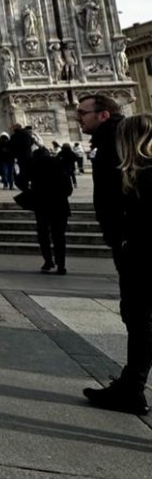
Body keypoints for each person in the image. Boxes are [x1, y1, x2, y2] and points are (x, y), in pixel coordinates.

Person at [83, 113, 152, 415]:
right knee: (140, 323)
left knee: (139, 322)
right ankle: (130, 387)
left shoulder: (144, 175)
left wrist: (123, 241)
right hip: (139, 255)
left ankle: (132, 389)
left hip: (142, 259)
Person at [78, 93, 126, 266]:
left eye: (82, 113)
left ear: (104, 115)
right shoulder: (105, 140)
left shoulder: (120, 142)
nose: (78, 119)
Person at [29, 145, 72, 274]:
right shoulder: (59, 164)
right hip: (59, 204)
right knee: (59, 235)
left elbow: (20, 179)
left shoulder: (34, 165)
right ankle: (61, 264)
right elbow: (68, 187)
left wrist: (31, 191)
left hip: (42, 204)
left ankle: (48, 261)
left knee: (43, 234)